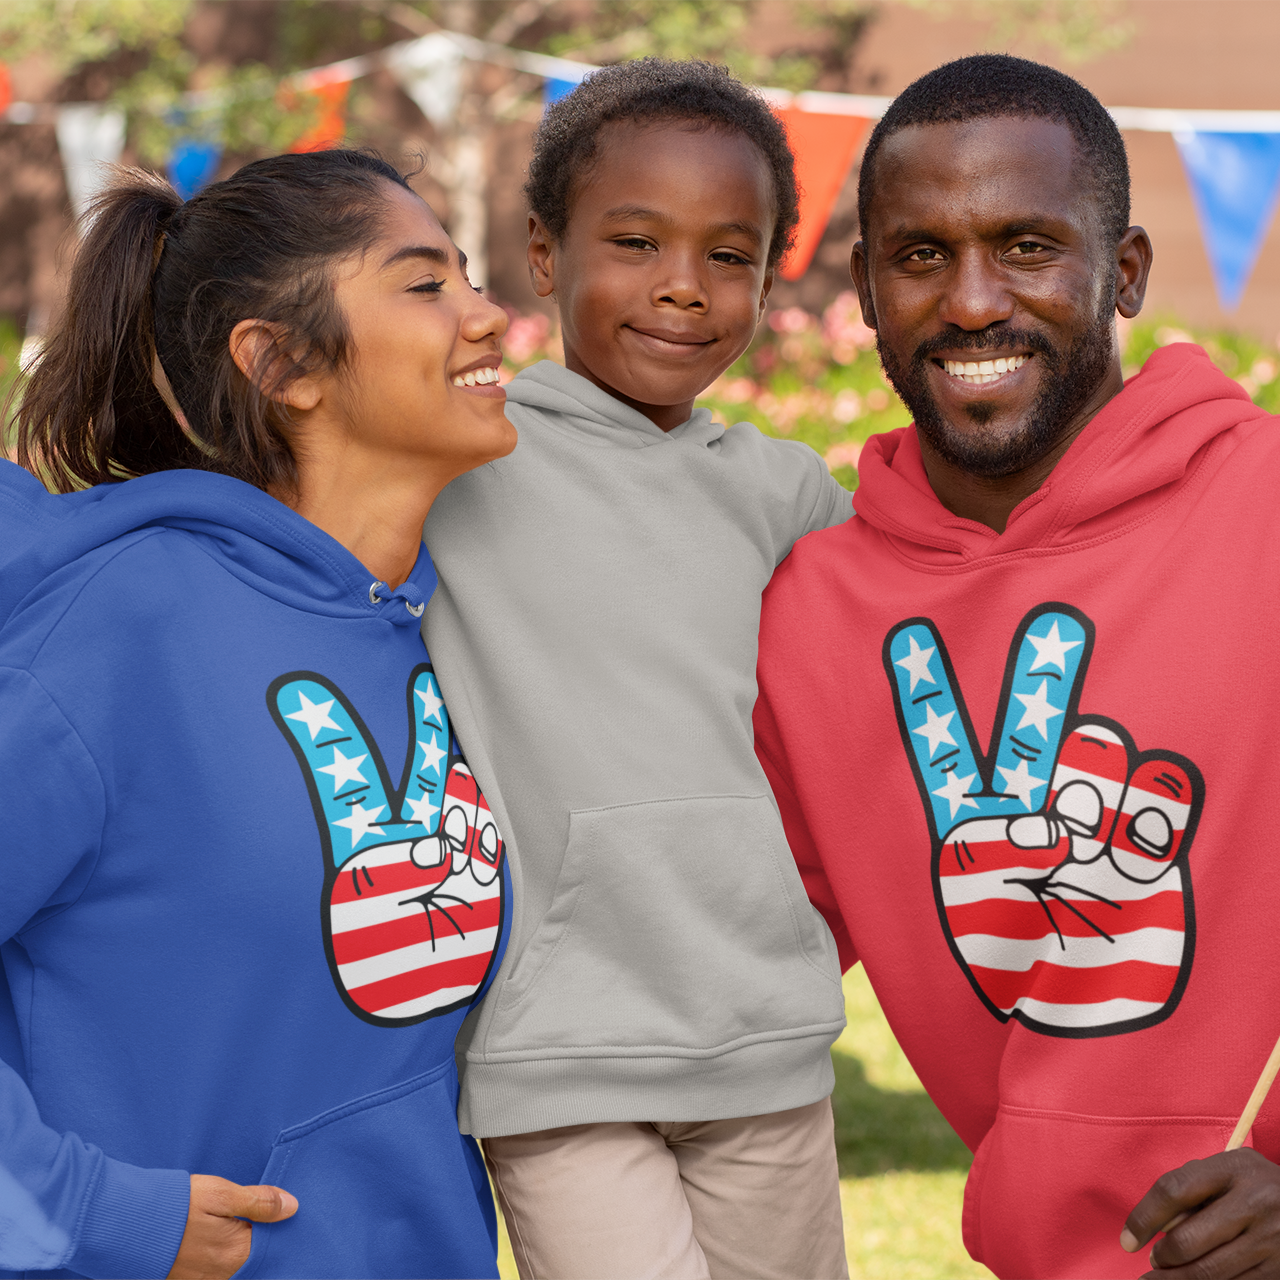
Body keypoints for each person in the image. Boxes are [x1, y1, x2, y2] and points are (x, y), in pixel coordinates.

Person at [753, 52, 1280, 1280]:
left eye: (1026, 245)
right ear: (866, 292)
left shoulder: (1262, 505)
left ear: (1125, 272)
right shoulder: (806, 606)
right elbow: (727, 949)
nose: (972, 300)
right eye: (921, 254)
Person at [0, 150, 514, 1280]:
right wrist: (85, 1208)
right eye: (425, 284)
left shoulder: (440, 619)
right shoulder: (121, 629)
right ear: (280, 361)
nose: (489, 315)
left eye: (468, 276)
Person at [421, 58, 852, 1280]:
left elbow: (925, 620)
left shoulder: (784, 493)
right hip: (557, 1050)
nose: (682, 287)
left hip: (766, 1034)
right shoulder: (461, 461)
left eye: (730, 254)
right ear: (545, 256)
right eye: (634, 240)